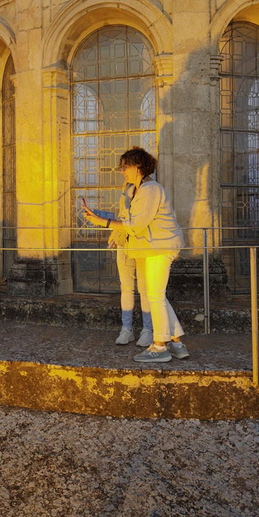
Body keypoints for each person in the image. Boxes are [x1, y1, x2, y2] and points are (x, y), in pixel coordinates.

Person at [80, 147, 184, 364]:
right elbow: (128, 218)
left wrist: (103, 222)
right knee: (159, 296)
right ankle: (177, 343)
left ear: (138, 166)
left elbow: (135, 224)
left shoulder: (150, 189)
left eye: (125, 166)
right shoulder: (137, 190)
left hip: (160, 248)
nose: (122, 171)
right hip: (154, 247)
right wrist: (100, 217)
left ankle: (160, 347)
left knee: (154, 295)